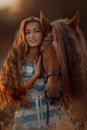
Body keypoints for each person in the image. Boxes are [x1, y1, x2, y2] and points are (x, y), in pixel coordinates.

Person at [0, 16, 58, 130]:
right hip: (26, 119)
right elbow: (16, 92)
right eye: (28, 32)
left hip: (52, 116)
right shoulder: (16, 60)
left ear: (43, 33)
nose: (32, 36)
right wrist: (35, 75)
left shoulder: (50, 57)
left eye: (36, 31)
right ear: (24, 36)